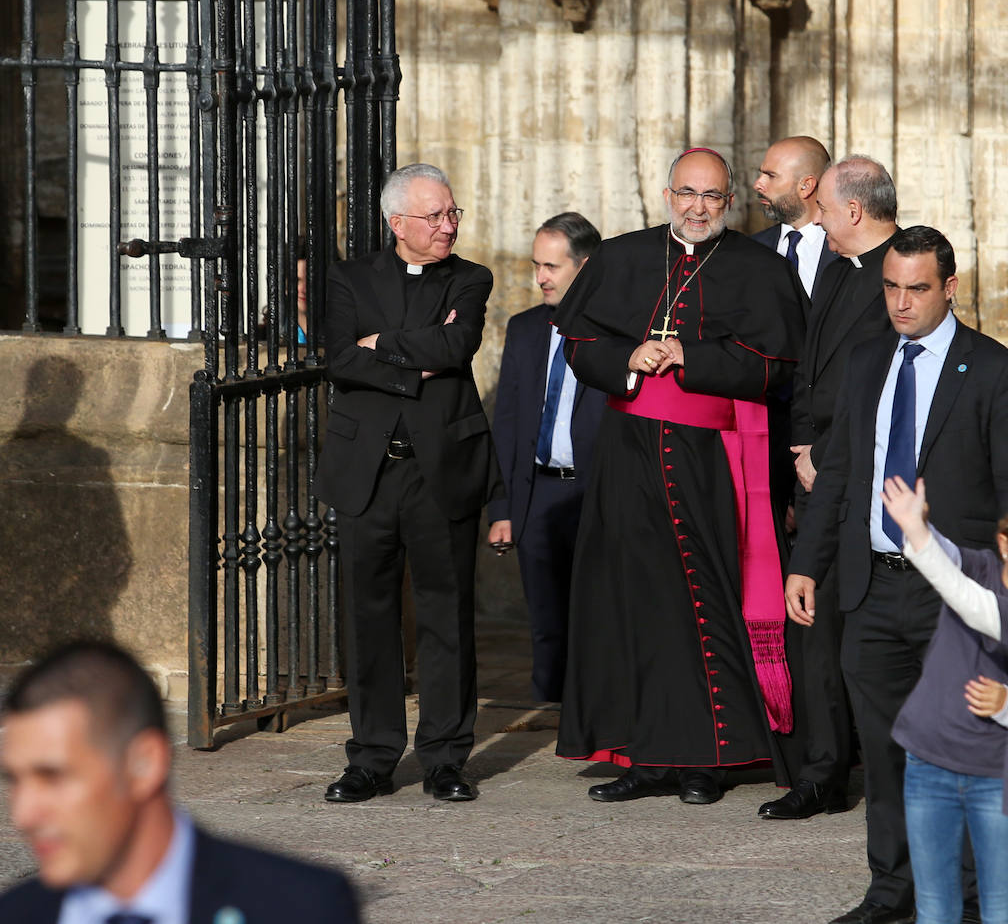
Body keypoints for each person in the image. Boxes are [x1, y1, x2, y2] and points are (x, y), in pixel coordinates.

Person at [786, 225, 1008, 924]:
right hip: (870, 588)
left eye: (916, 288)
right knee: (884, 744)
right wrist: (809, 565)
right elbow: (840, 470)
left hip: (952, 591)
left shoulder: (992, 368)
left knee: (963, 745)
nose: (900, 302)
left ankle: (967, 895)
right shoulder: (867, 361)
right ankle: (890, 888)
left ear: (949, 287)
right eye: (891, 287)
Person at [552, 147, 807, 806]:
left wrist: (689, 356)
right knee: (634, 603)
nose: (698, 207)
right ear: (668, 195)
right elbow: (580, 337)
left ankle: (706, 760)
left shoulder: (757, 267)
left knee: (706, 601)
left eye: (713, 197)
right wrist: (628, 356)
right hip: (628, 459)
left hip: (712, 462)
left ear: (730, 203)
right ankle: (644, 757)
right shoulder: (623, 255)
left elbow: (778, 362)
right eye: (688, 194)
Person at [314, 162, 494, 803]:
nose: (448, 226)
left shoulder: (471, 278)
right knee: (369, 616)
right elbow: (339, 359)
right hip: (368, 471)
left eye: (453, 214)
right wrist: (412, 365)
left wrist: (381, 345)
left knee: (446, 616)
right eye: (435, 216)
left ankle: (446, 757)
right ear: (398, 223)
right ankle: (371, 758)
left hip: (440, 468)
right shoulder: (351, 277)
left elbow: (458, 347)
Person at [0, 640, 360, 923]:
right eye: (14, 780)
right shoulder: (16, 915)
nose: (24, 815)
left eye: (53, 777)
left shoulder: (299, 908)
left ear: (144, 764)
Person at [758, 155, 901, 822]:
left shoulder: (900, 276)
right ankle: (821, 771)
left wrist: (829, 453)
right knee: (812, 624)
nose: (813, 214)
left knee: (861, 629)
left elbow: (888, 384)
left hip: (863, 477)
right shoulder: (839, 270)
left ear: (852, 210)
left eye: (824, 205)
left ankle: (874, 765)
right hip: (814, 472)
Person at [887, 490, 1008, 924]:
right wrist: (919, 527)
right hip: (928, 762)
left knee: (1001, 910)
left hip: (999, 774)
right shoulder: (978, 565)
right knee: (933, 908)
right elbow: (943, 559)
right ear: (1004, 544)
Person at [487, 212, 605, 702]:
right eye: (537, 265)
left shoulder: (616, 334)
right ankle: (547, 712)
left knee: (596, 613)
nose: (541, 278)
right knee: (545, 619)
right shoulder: (525, 329)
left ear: (586, 267)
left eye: (552, 267)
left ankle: (595, 710)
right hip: (538, 494)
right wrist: (504, 510)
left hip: (595, 492)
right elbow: (509, 423)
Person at [751, 135, 839, 298]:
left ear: (806, 186)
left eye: (771, 175)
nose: (758, 184)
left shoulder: (846, 248)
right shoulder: (752, 249)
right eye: (761, 174)